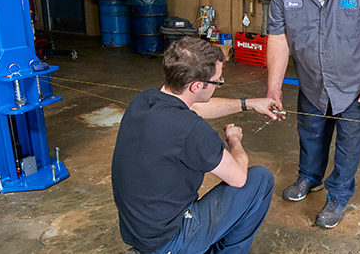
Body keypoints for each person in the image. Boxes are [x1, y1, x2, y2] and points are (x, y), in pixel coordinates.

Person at [112, 37, 281, 254]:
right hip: (170, 240)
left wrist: (248, 104)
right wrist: (235, 139)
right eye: (218, 81)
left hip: (138, 231)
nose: (219, 85)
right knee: (259, 179)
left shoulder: (144, 100)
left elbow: (196, 109)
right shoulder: (192, 130)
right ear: (197, 85)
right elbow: (238, 177)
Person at [266, 0, 360, 229]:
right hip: (311, 81)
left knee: (348, 145)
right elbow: (278, 35)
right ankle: (310, 176)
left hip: (354, 85)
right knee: (310, 132)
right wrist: (273, 88)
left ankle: (338, 195)